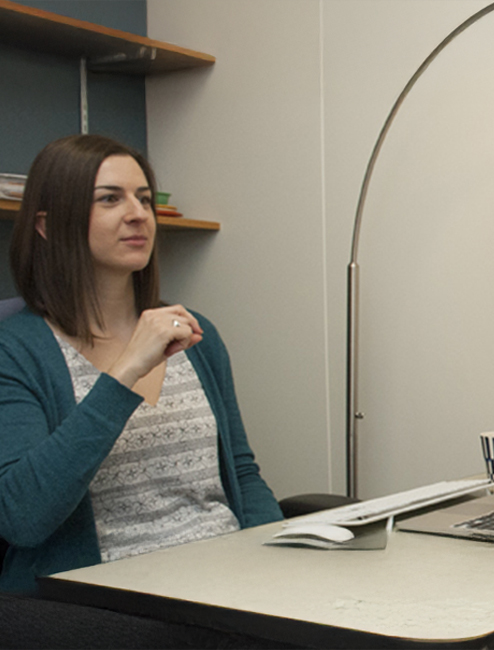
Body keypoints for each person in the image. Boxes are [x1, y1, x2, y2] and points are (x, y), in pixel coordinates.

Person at [0, 134, 282, 594]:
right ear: (46, 226)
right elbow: (22, 516)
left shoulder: (194, 334)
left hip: (226, 580)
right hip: (105, 598)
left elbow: (242, 475)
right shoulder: (14, 350)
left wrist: (278, 563)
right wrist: (125, 371)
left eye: (144, 199)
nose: (138, 214)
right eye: (110, 199)